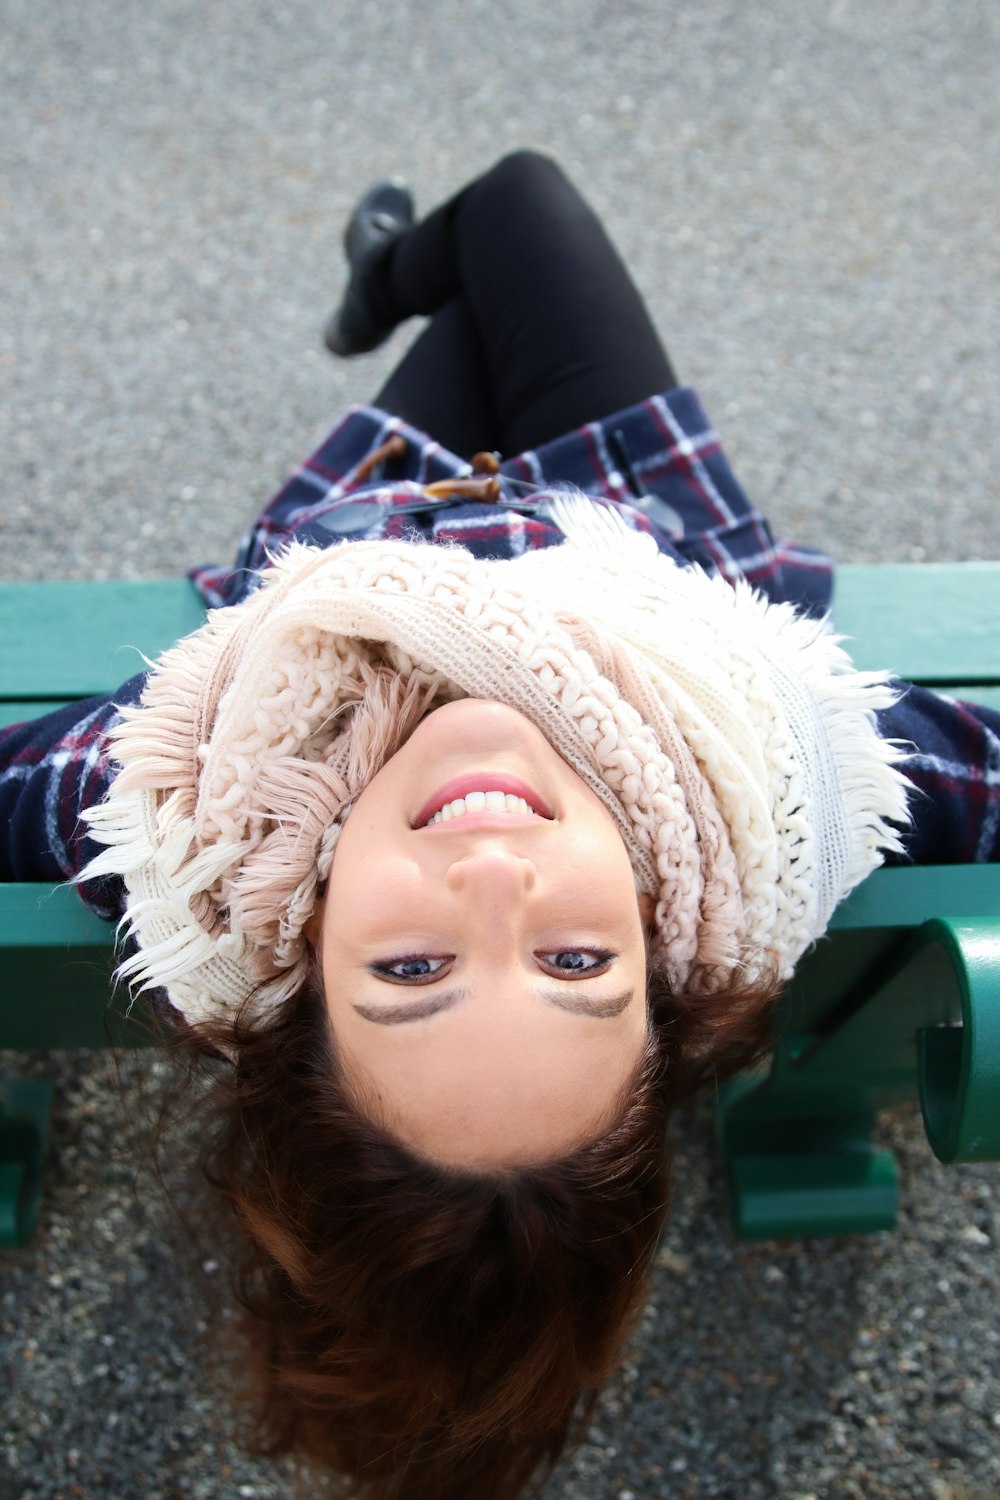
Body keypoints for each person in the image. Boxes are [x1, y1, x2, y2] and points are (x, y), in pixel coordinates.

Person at [2, 150, 999, 1500]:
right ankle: (396, 274)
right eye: (576, 967)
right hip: (627, 525)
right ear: (663, 944)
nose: (491, 877)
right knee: (520, 215)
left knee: (498, 264)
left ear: (298, 977)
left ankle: (397, 275)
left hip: (371, 531)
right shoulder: (769, 780)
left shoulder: (203, 808)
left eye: (412, 972)